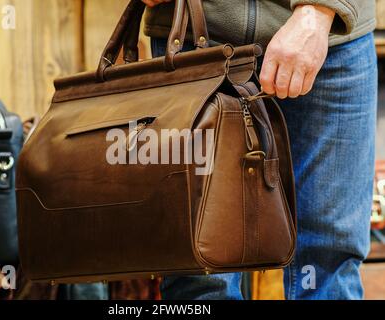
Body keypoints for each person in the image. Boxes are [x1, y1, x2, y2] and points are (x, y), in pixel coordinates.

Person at [142, 0, 377, 300]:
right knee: (200, 275)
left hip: (331, 37)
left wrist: (319, 11)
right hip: (194, 34)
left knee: (325, 269)